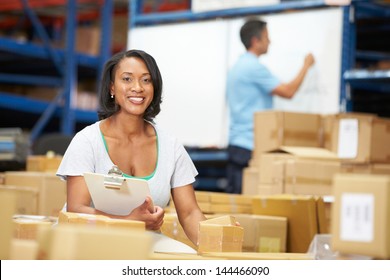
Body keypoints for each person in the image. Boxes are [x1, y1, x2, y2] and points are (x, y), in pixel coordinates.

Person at [56, 49, 206, 247]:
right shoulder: (87, 141)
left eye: (146, 80)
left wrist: (217, 239)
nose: (137, 88)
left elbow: (189, 213)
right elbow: (77, 209)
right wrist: (129, 222)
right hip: (87, 238)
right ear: (112, 87)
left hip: (143, 239)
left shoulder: (171, 146)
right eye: (127, 79)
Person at [226, 18, 315, 194]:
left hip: (237, 144)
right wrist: (306, 66)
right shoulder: (253, 67)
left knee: (237, 204)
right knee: (247, 204)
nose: (270, 42)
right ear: (255, 41)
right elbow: (288, 91)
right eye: (267, 37)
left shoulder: (237, 66)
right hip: (248, 146)